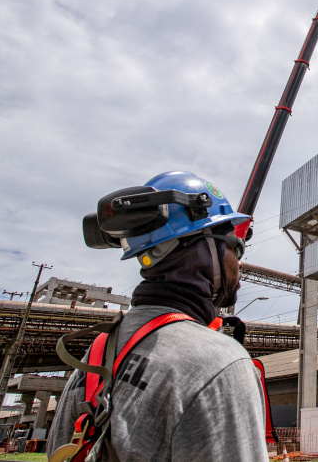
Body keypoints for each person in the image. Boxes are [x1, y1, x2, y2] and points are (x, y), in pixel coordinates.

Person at [47, 171, 268, 461]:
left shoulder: (97, 354)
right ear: (203, 248)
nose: (238, 262)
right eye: (234, 246)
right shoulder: (219, 362)